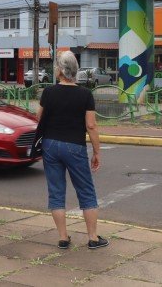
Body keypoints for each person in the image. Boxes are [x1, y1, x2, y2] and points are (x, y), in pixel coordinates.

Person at [35, 51, 109, 250]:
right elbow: (91, 126)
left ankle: (63, 237)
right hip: (74, 146)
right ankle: (93, 238)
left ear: (59, 71)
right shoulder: (85, 94)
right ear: (75, 72)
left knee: (56, 191)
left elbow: (39, 118)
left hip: (50, 144)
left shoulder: (48, 92)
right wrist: (97, 152)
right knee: (85, 190)